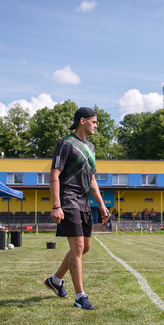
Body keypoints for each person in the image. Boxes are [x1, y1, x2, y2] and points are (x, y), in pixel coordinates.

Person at [44, 107, 109, 310]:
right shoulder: (65, 144)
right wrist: (56, 206)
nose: (96, 125)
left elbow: (91, 179)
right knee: (78, 248)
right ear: (83, 121)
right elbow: (54, 175)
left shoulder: (91, 147)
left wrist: (101, 204)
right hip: (68, 201)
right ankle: (80, 297)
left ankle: (55, 280)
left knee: (85, 247)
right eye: (94, 121)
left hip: (84, 204)